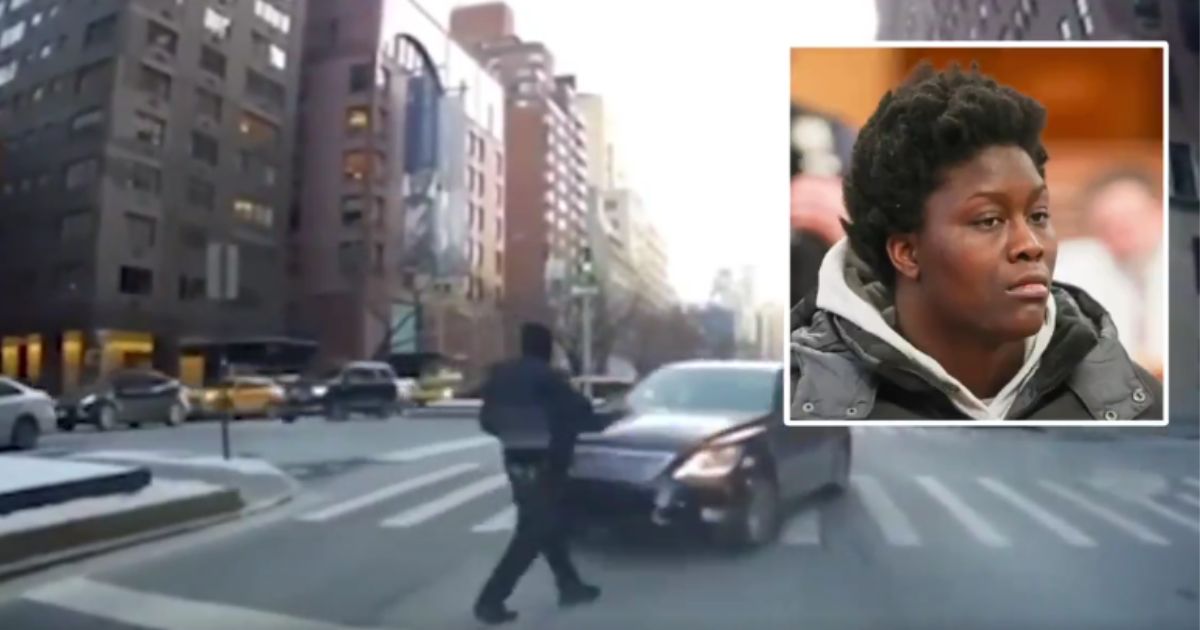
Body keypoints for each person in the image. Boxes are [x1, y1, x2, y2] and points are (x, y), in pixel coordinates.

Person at [791, 62, 1162, 421]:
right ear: (907, 253)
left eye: (1039, 216)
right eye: (989, 220)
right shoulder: (801, 402)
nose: (1031, 244)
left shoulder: (1134, 403)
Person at [473, 322, 601, 625]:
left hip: (516, 459)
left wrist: (514, 434)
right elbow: (583, 415)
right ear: (547, 348)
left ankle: (569, 585)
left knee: (544, 524)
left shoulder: (501, 375)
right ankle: (490, 600)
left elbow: (486, 421)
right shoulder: (548, 378)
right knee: (534, 531)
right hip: (546, 463)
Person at [1053, 170, 1165, 380]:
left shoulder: (1186, 261)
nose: (1121, 229)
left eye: (1130, 217)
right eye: (1107, 223)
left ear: (1158, 212)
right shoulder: (1070, 266)